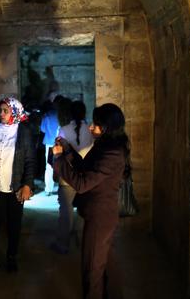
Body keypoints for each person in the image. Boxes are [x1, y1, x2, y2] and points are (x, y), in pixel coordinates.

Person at [53, 103, 128, 299]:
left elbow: (82, 183)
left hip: (100, 217)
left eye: (95, 124)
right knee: (106, 264)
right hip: (101, 215)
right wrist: (69, 151)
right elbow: (86, 166)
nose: (90, 127)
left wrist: (59, 160)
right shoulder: (105, 145)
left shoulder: (112, 153)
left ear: (107, 127)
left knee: (92, 269)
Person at [0, 97, 35, 272]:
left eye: (6, 111)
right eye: (1, 110)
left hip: (15, 187)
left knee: (14, 224)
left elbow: (29, 160)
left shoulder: (23, 131)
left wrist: (27, 184)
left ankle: (11, 256)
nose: (2, 114)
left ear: (15, 112)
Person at [50, 100, 93, 255]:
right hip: (85, 178)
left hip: (67, 178)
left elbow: (57, 153)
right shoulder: (90, 131)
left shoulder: (63, 130)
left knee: (65, 213)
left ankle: (63, 244)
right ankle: (81, 242)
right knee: (83, 211)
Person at [40, 94, 63, 196]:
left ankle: (48, 189)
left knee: (49, 166)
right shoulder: (64, 115)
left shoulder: (47, 115)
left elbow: (42, 129)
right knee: (63, 165)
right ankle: (62, 188)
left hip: (49, 143)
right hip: (61, 144)